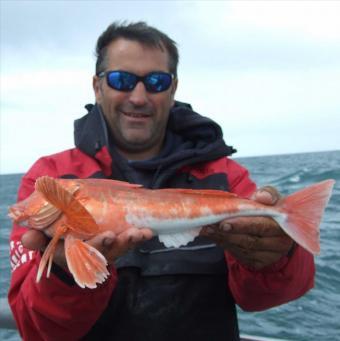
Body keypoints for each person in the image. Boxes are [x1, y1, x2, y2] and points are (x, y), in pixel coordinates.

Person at [8, 22, 315, 341]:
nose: (138, 97)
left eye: (156, 81)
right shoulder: (50, 174)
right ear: (98, 87)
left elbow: (265, 299)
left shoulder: (224, 176)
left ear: (173, 88)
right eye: (121, 80)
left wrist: (278, 257)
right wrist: (64, 275)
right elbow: (36, 330)